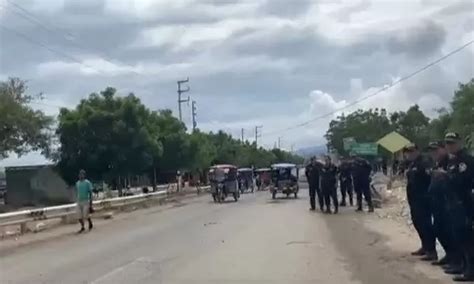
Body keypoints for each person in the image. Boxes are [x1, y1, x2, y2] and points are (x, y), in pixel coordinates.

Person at [443, 132, 474, 282]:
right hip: (452, 203)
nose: (450, 146)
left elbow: (465, 182)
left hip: (464, 203)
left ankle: (471, 270)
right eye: (448, 143)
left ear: (460, 142)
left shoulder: (466, 160)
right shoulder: (451, 161)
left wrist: (447, 177)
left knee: (467, 237)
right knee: (458, 236)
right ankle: (463, 265)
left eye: (452, 143)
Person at [404, 144, 437, 261]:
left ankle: (431, 251)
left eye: (411, 151)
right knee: (417, 223)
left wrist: (429, 195)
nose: (409, 154)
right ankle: (425, 246)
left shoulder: (424, 161)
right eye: (407, 152)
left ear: (417, 151)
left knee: (425, 224)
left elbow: (431, 177)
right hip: (414, 199)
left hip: (423, 199)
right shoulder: (412, 163)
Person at [427, 141, 453, 267]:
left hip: (447, 202)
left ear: (443, 149)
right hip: (436, 202)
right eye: (431, 151)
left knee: (450, 232)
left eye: (436, 150)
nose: (433, 153)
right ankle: (449, 255)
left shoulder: (451, 162)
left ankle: (456, 259)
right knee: (438, 229)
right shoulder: (437, 163)